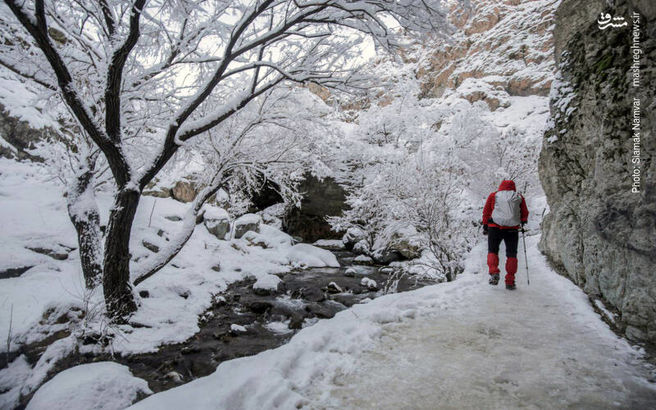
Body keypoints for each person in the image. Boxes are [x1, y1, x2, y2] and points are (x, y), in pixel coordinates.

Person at [482, 180, 528, 290]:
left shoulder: (494, 195)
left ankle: (494, 272)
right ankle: (510, 281)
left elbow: (486, 211)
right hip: (512, 230)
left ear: (501, 187)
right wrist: (523, 221)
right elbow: (525, 213)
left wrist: (485, 225)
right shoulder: (519, 196)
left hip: (494, 227)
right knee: (512, 254)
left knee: (492, 251)